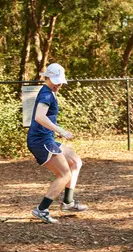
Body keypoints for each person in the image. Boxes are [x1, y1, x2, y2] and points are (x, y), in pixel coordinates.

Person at [27, 63, 88, 224]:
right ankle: (42, 209)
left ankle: (68, 202)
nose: (58, 84)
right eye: (55, 80)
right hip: (41, 141)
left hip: (46, 138)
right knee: (64, 174)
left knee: (76, 161)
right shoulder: (47, 94)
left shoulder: (49, 92)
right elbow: (39, 117)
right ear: (46, 78)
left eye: (59, 81)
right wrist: (60, 130)